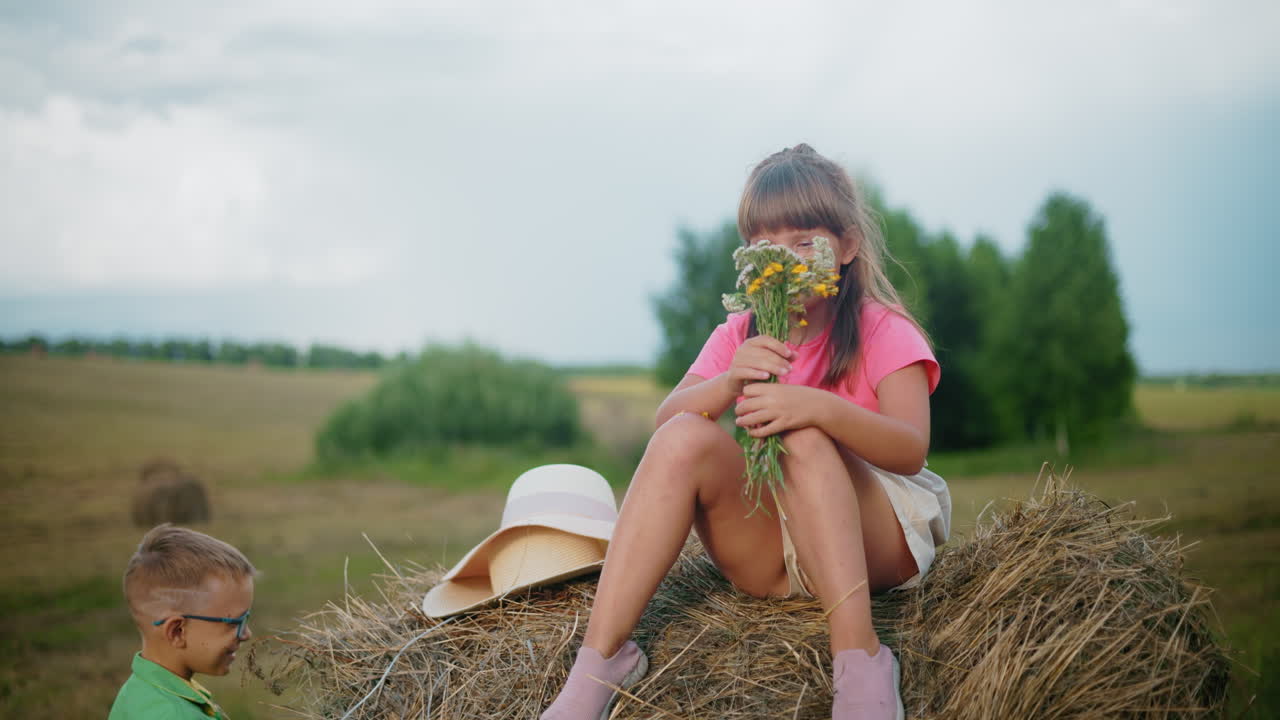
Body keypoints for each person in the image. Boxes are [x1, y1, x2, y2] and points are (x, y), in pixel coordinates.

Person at [541, 144, 950, 720]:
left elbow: (909, 450)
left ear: (848, 246)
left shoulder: (882, 328)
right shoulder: (739, 332)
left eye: (803, 242)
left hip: (879, 536)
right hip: (775, 550)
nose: (783, 261)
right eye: (764, 246)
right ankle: (599, 661)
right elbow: (666, 426)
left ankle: (861, 658)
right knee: (684, 435)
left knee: (800, 433)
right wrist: (729, 381)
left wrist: (815, 407)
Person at [109, 524, 256, 719]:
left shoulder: (138, 691)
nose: (246, 634)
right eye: (234, 623)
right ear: (177, 631)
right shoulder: (177, 715)